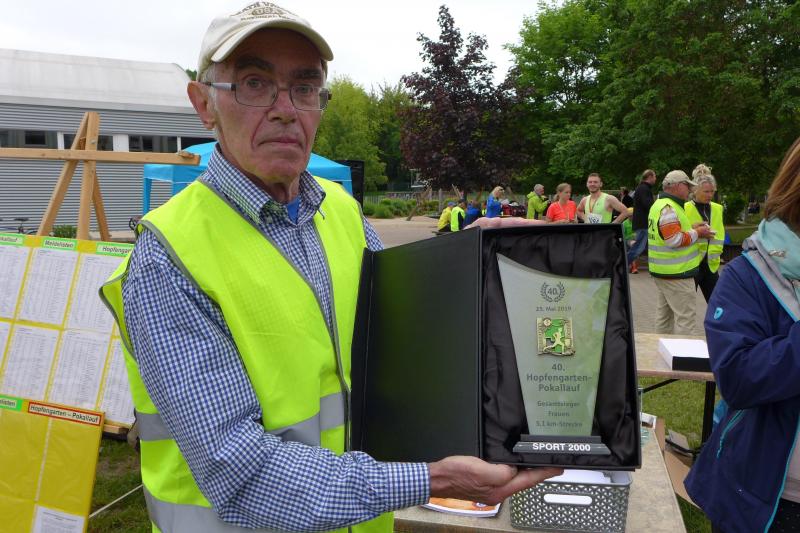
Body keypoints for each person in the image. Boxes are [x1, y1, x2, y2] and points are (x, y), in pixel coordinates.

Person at [99, 3, 560, 531]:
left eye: (304, 87)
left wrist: (473, 259)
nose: (284, 109)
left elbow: (403, 338)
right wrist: (430, 479)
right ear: (204, 104)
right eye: (254, 83)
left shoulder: (340, 211)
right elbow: (240, 473)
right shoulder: (168, 257)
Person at [685, 137, 800, 533]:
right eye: (705, 189)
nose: (708, 194)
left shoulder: (714, 210)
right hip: (772, 500)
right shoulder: (749, 276)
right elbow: (737, 377)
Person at [647, 170, 715, 334]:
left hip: (663, 272)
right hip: (677, 274)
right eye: (687, 186)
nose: (690, 190)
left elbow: (667, 233)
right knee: (686, 319)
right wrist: (698, 233)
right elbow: (673, 240)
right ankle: (683, 349)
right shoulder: (669, 208)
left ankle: (659, 347)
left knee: (664, 318)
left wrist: (691, 228)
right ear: (677, 186)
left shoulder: (659, 204)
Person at [684, 164, 725, 301]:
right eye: (706, 192)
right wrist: (696, 231)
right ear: (695, 190)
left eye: (712, 191)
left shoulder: (718, 208)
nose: (710, 195)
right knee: (687, 305)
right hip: (691, 264)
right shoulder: (685, 208)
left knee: (717, 304)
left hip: (711, 265)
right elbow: (680, 233)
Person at [627, 169, 657, 273]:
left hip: (642, 223)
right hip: (643, 223)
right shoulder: (644, 189)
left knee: (641, 247)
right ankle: (621, 264)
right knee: (638, 248)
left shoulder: (641, 188)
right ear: (650, 177)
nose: (655, 179)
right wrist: (657, 207)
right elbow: (648, 204)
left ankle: (622, 264)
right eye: (655, 176)